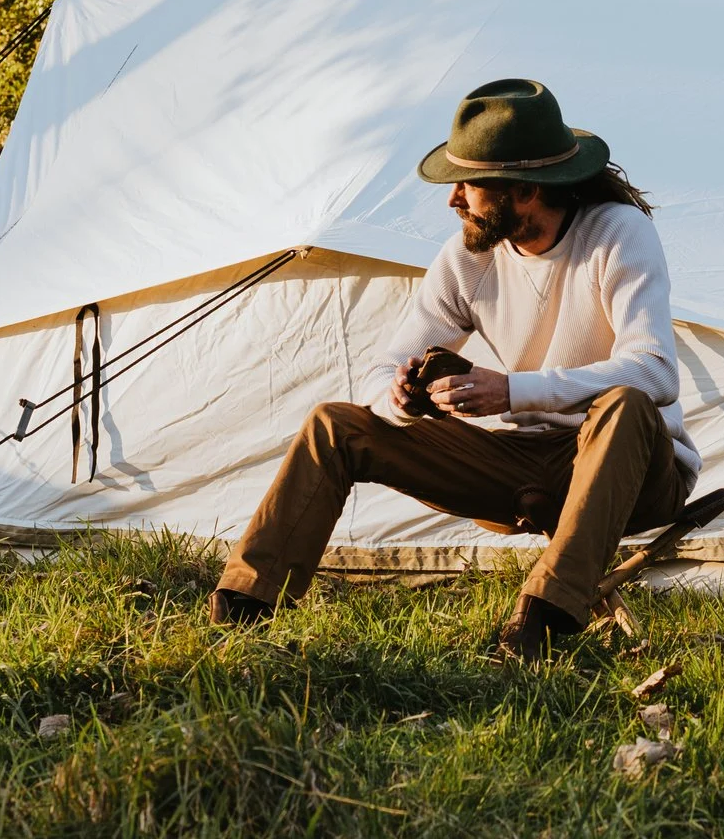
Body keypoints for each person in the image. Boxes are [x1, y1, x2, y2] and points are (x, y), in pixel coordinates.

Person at [209, 78, 697, 660]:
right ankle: (242, 610)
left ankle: (542, 620)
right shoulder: (469, 255)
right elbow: (383, 365)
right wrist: (401, 399)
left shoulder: (618, 234)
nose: (452, 199)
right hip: (517, 467)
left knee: (625, 404)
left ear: (522, 191)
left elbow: (656, 370)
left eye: (467, 183)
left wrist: (512, 391)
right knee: (335, 425)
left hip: (631, 472)